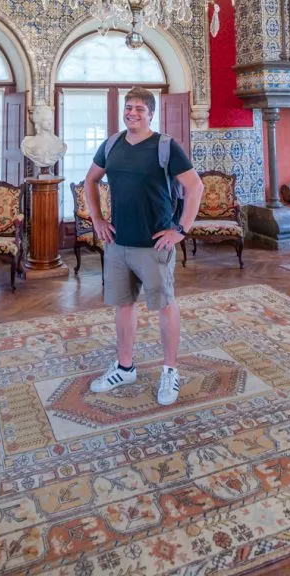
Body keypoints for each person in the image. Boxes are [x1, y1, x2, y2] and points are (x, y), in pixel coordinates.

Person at [84, 86, 204, 406]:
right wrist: (97, 218)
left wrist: (181, 229)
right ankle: (125, 367)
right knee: (123, 306)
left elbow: (195, 187)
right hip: (118, 243)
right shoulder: (111, 145)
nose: (132, 113)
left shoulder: (166, 146)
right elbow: (90, 180)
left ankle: (170, 370)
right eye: (128, 107)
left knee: (165, 305)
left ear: (151, 113)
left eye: (139, 108)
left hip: (154, 244)